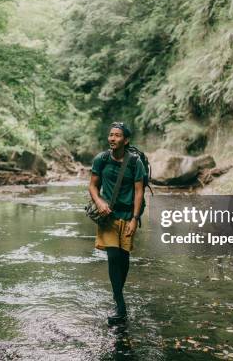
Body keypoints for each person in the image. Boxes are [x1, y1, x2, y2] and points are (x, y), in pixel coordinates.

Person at [88, 122, 145, 325]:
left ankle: (118, 297)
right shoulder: (101, 159)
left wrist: (135, 219)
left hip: (128, 215)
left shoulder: (135, 162)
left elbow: (139, 192)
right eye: (111, 135)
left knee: (123, 257)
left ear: (126, 140)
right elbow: (93, 186)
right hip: (108, 216)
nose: (112, 138)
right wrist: (99, 202)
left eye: (117, 135)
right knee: (113, 256)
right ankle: (120, 305)